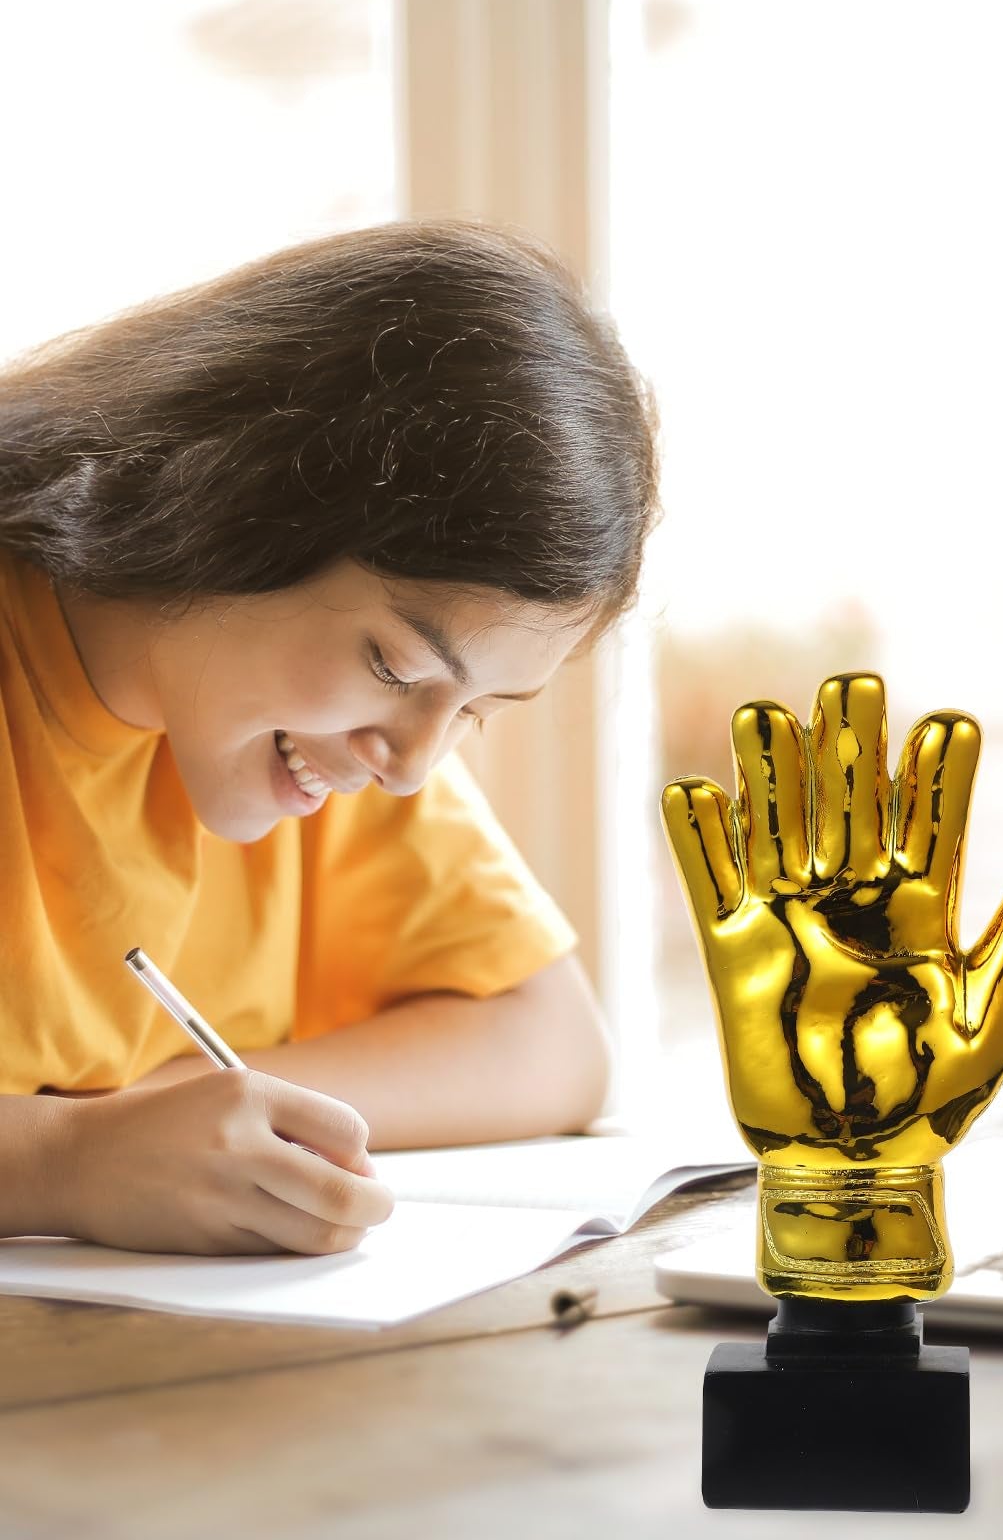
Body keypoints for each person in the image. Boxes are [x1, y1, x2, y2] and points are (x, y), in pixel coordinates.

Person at [0, 220, 659, 1257]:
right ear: (231, 503)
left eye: (473, 709)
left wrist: (181, 1114)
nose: (409, 768)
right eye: (397, 665)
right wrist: (61, 1156)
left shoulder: (310, 735)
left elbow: (552, 1043)